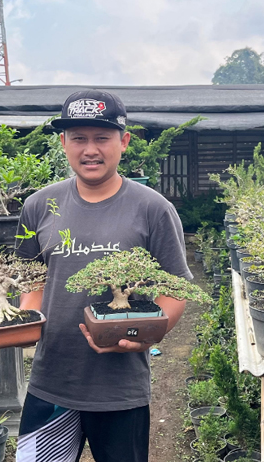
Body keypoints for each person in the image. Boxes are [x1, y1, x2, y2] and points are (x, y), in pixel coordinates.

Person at [14, 89, 193, 462]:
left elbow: (176, 289)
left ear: (124, 142)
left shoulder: (153, 209)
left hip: (120, 387)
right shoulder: (38, 206)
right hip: (51, 381)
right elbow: (32, 279)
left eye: (102, 138)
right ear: (63, 143)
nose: (89, 149)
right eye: (78, 138)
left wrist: (147, 336)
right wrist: (25, 321)